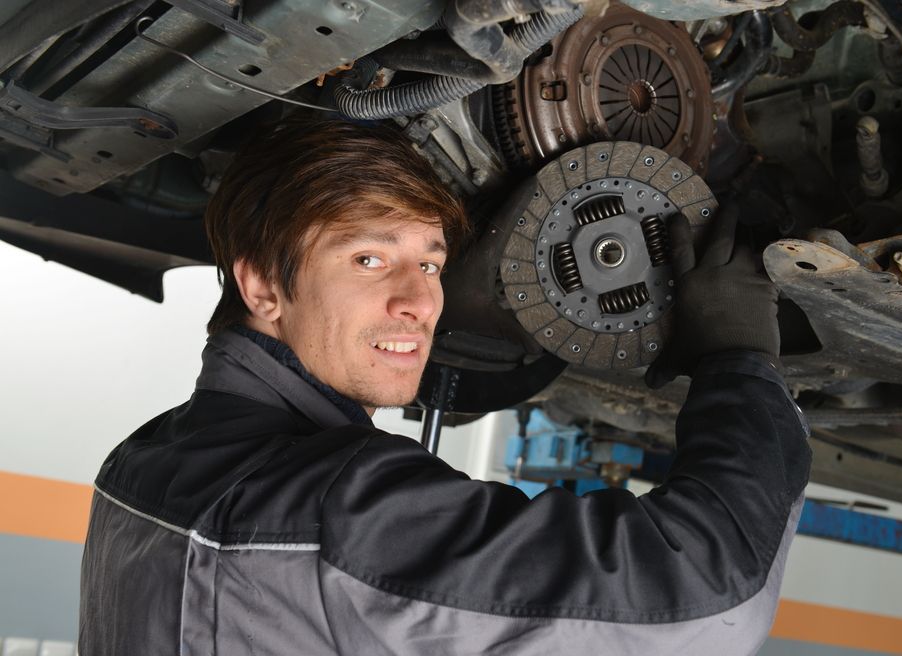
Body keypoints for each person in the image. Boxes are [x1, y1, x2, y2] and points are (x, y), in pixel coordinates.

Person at [79, 116, 811, 655]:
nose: (420, 303)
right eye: (369, 260)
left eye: (429, 263)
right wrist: (738, 360)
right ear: (264, 285)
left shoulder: (140, 467)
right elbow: (706, 602)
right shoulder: (339, 511)